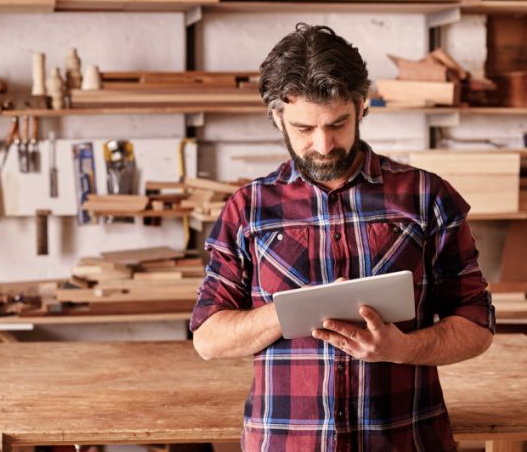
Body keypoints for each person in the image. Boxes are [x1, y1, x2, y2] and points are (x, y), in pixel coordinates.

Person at [191, 23, 495, 451]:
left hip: (406, 441)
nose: (323, 144)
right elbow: (207, 338)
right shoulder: (248, 208)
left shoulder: (426, 196)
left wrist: (402, 347)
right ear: (277, 116)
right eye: (303, 128)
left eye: (338, 123)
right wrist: (292, 311)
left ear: (362, 105)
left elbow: (477, 325)